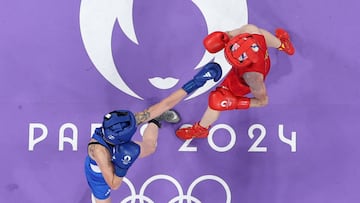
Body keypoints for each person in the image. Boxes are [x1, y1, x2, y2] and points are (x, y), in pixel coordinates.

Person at [84, 62, 222, 203]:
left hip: (118, 150)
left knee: (150, 147)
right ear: (122, 138)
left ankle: (156, 121)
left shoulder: (127, 122)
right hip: (100, 175)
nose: (136, 121)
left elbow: (166, 104)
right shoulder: (100, 152)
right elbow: (114, 184)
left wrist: (197, 82)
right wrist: (122, 166)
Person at [175, 24, 295, 140]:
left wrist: (236, 102)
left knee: (217, 100)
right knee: (261, 33)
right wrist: (226, 36)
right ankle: (283, 45)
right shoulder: (251, 32)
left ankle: (201, 129)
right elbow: (238, 33)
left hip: (241, 81)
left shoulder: (252, 77)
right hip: (260, 58)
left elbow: (262, 101)